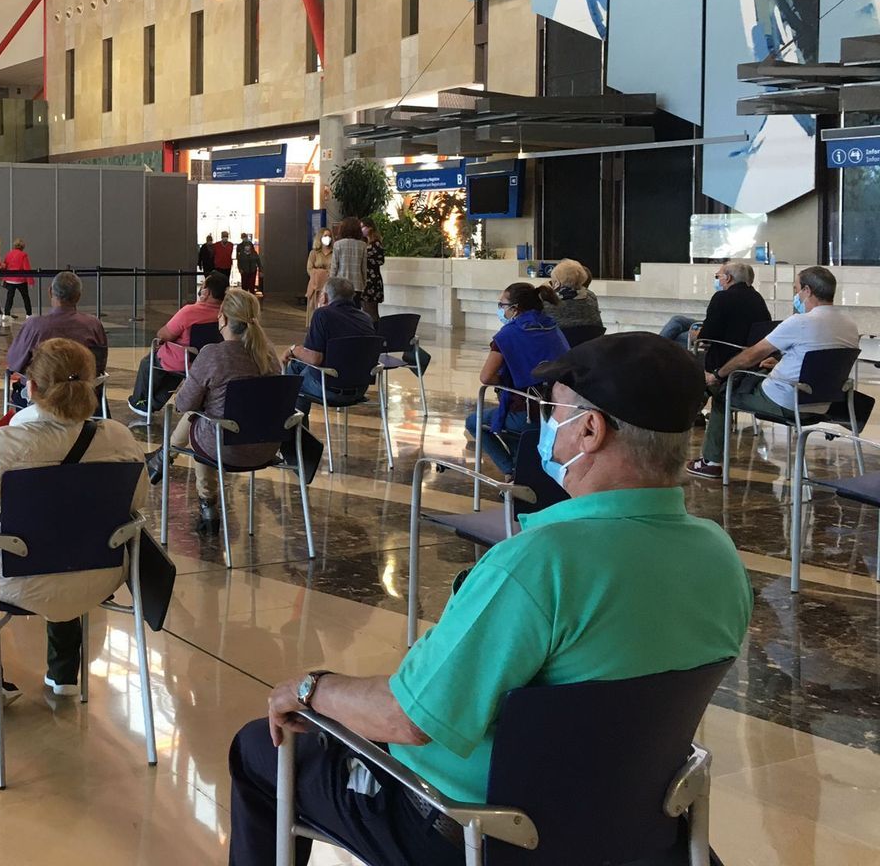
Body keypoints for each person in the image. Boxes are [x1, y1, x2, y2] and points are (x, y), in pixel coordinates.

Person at [228, 332, 753, 866]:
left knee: (256, 751)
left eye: (555, 412)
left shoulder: (539, 565)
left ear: (591, 430)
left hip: (476, 831)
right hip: (633, 830)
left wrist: (309, 688)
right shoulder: (719, 556)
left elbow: (409, 719)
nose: (547, 425)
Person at [0, 337, 146, 708]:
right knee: (70, 535)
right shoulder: (120, 440)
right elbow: (136, 501)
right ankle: (65, 673)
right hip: (99, 575)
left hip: (16, 580)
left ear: (30, 387)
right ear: (94, 384)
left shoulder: (2, 445)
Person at [691, 264, 859, 479]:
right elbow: (815, 359)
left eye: (797, 289)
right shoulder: (849, 324)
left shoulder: (800, 322)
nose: (796, 295)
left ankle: (710, 462)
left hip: (787, 401)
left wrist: (718, 374)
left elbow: (750, 355)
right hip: (824, 401)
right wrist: (778, 362)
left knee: (723, 394)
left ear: (807, 291)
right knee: (752, 374)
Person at [164, 288, 280, 535]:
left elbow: (183, 405)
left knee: (201, 418)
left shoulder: (212, 354)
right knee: (211, 416)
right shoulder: (270, 356)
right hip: (267, 446)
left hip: (227, 448)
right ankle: (164, 456)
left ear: (224, 319)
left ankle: (207, 503)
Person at [463, 282, 569, 473]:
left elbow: (486, 377)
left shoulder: (508, 334)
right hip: (559, 411)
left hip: (526, 414)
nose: (500, 309)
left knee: (473, 422)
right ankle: (523, 472)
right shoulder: (552, 327)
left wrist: (507, 379)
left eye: (502, 305)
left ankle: (511, 471)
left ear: (515, 308)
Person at [127, 272, 227, 415]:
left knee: (148, 363)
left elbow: (163, 334)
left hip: (184, 359)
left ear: (207, 292)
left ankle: (140, 401)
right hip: (207, 362)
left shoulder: (190, 312)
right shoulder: (224, 313)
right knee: (174, 372)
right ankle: (152, 403)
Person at [5, 270, 107, 408]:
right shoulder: (94, 325)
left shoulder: (35, 326)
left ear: (50, 292)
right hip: (82, 397)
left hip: (41, 397)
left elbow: (14, 363)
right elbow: (99, 364)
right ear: (78, 296)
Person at [281, 276, 377, 410]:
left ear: (324, 297)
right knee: (296, 366)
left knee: (294, 385)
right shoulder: (366, 318)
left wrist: (293, 349)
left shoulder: (322, 314)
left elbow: (314, 359)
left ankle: (296, 428)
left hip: (331, 389)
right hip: (360, 387)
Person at [692, 259, 772, 376]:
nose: (718, 281)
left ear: (728, 278)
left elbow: (706, 336)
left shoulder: (721, 297)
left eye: (718, 277)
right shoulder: (756, 296)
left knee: (678, 338)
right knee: (679, 322)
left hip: (725, 357)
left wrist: (695, 335)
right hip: (751, 354)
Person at [548, 258, 601, 332]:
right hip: (591, 340)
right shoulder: (591, 296)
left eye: (552, 281)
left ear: (557, 283)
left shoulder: (550, 301)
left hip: (561, 342)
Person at [330, 217, 368, 300]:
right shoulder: (363, 245)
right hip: (357, 285)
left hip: (341, 285)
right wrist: (364, 283)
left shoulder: (338, 244)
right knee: (355, 310)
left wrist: (330, 285)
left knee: (341, 310)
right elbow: (364, 268)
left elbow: (334, 267)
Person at [0, 238, 34, 326]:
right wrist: (31, 281)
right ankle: (29, 314)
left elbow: (5, 265)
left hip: (10, 279)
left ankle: (6, 314)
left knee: (9, 297)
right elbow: (27, 268)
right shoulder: (23, 255)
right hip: (20, 280)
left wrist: (3, 278)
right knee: (25, 297)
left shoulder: (9, 254)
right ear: (22, 247)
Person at [361, 218, 386, 323]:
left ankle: (376, 332)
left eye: (363, 227)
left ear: (370, 228)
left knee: (371, 310)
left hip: (372, 281)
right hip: (367, 280)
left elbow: (380, 260)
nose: (361, 229)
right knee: (366, 309)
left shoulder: (376, 244)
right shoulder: (365, 243)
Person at [303, 230, 331, 312]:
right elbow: (309, 269)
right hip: (316, 286)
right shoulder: (314, 253)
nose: (328, 238)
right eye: (325, 236)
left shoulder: (334, 252)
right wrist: (323, 273)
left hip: (328, 286)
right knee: (314, 310)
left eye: (329, 236)